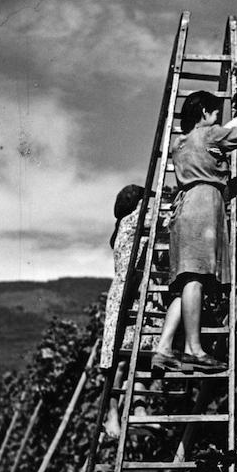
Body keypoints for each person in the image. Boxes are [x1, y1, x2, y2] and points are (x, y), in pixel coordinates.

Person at [151, 91, 237, 375]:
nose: (218, 117)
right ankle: (194, 349)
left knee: (186, 281)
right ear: (205, 112)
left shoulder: (181, 143)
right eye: (215, 112)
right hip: (203, 208)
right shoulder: (209, 135)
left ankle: (164, 347)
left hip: (184, 210)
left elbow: (223, 133)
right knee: (196, 279)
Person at [100, 184, 148, 438]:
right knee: (120, 360)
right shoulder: (132, 223)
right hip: (128, 297)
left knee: (137, 357)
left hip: (137, 295)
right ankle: (112, 415)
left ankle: (138, 410)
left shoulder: (127, 225)